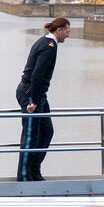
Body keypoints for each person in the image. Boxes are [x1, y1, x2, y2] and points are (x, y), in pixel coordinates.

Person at [15, 16, 70, 181]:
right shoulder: (48, 46)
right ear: (59, 30)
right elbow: (37, 75)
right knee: (31, 135)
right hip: (30, 92)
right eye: (67, 31)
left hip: (38, 94)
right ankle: (24, 176)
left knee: (47, 131)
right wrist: (33, 101)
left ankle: (34, 169)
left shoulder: (47, 43)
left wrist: (38, 98)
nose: (68, 35)